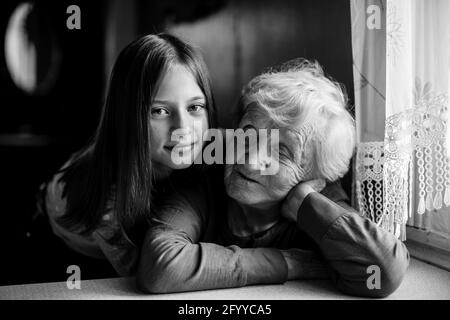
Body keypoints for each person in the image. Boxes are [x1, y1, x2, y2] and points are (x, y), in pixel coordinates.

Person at [136, 59, 410, 298]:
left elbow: (382, 271)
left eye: (282, 151)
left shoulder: (319, 201)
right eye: (249, 133)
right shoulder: (205, 171)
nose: (250, 158)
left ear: (315, 178)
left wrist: (306, 205)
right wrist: (290, 263)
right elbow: (161, 267)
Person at [39, 33, 217, 277]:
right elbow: (161, 275)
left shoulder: (211, 153)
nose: (183, 128)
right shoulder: (108, 198)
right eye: (160, 111)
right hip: (59, 245)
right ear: (127, 117)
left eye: (195, 107)